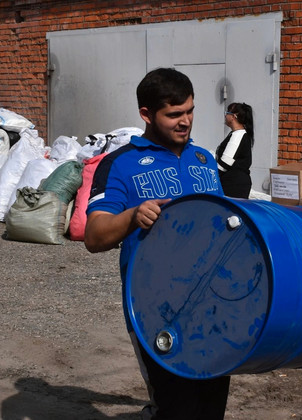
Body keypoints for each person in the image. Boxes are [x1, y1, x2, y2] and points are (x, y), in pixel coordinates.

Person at [84, 67, 230, 420]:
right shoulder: (120, 164)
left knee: (211, 409)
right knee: (176, 410)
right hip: (155, 311)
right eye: (174, 114)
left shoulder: (204, 160)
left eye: (190, 111)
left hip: (213, 308)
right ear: (146, 114)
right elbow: (94, 236)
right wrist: (133, 215)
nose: (186, 121)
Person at [215, 102, 254, 198]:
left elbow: (225, 163)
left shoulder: (238, 135)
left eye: (227, 113)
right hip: (233, 183)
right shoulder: (236, 134)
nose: (225, 116)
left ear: (233, 116)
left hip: (234, 185)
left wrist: (210, 176)